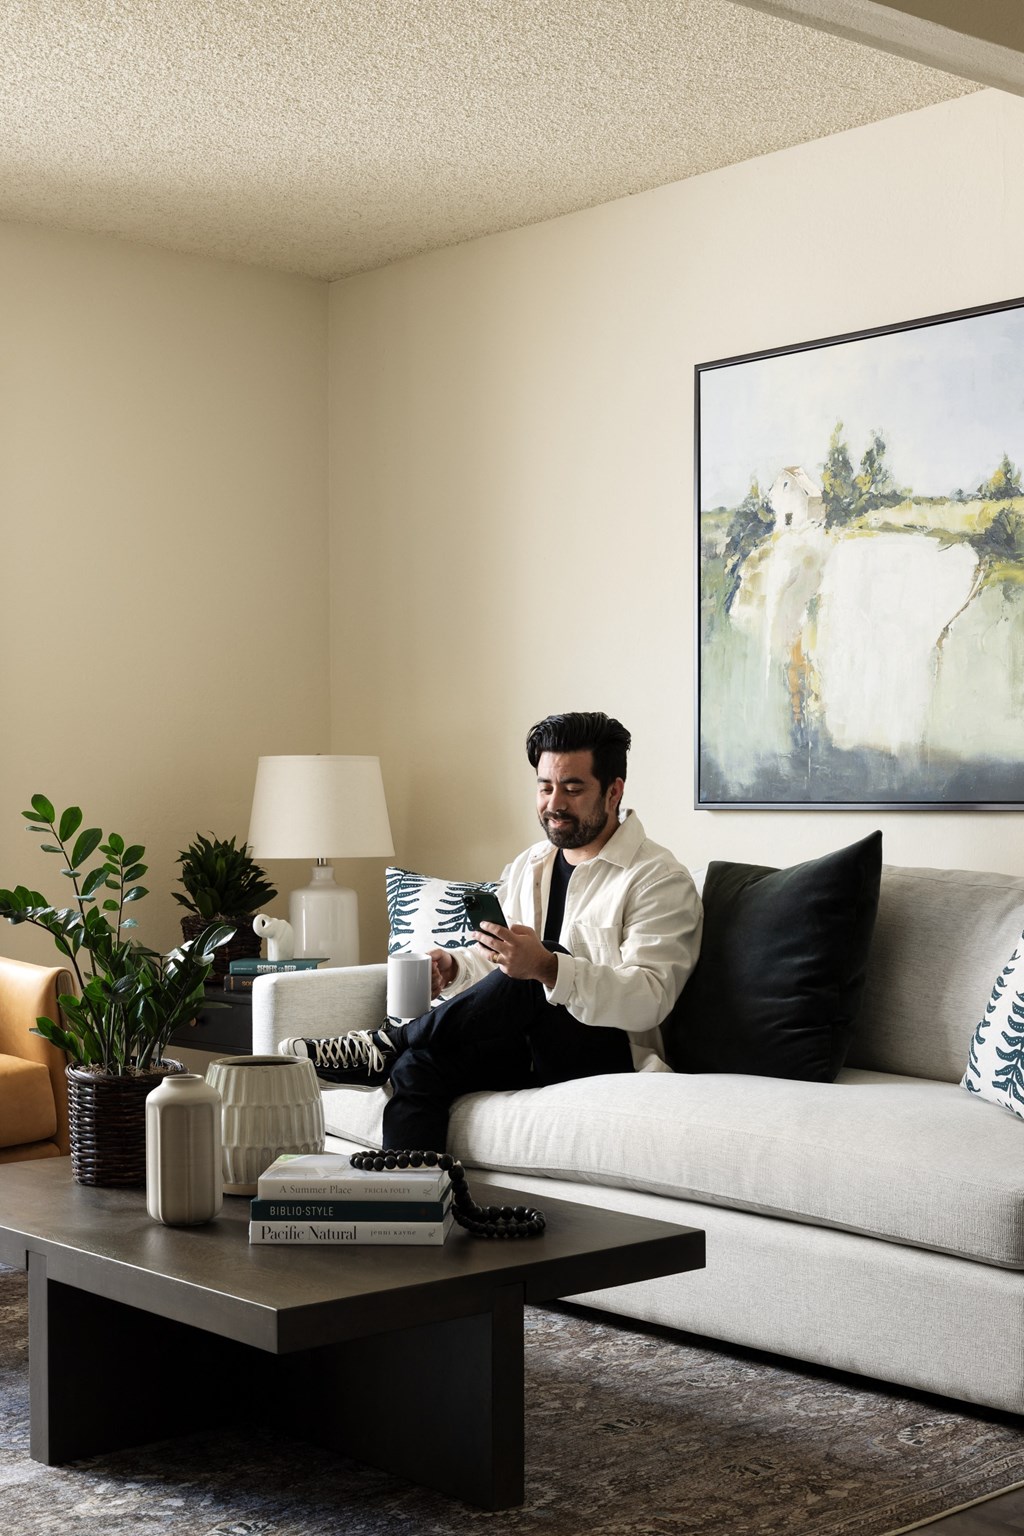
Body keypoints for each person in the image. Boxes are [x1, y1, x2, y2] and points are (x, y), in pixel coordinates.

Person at [279, 711, 703, 1152]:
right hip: (521, 1047)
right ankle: (411, 1204)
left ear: (613, 791)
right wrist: (456, 966)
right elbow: (500, 959)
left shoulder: (656, 878)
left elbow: (650, 999)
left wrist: (547, 967)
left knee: (544, 961)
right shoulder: (529, 865)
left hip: (607, 1054)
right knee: (421, 1064)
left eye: (573, 788)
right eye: (545, 786)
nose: (554, 803)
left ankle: (388, 1042)